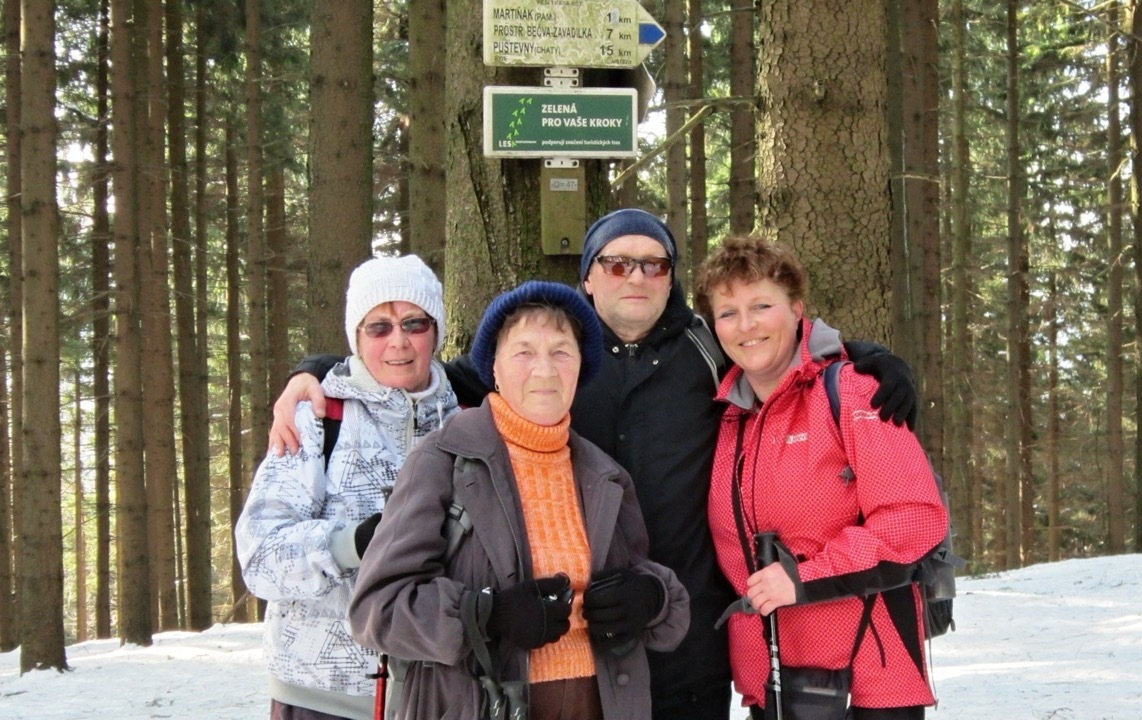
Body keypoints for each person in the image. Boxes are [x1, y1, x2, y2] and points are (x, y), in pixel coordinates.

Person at [268, 208, 919, 720]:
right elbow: (410, 369)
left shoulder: (709, 351)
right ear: (587, 276)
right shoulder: (535, 368)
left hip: (688, 645)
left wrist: (866, 358)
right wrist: (320, 372)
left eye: (654, 265)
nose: (636, 277)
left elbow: (774, 343)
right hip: (559, 665)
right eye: (616, 263)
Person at [348, 280, 690, 720]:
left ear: (581, 367)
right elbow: (378, 608)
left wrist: (650, 597)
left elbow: (660, 599)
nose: (544, 370)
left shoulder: (605, 475)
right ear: (494, 367)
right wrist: (486, 616)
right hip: (480, 705)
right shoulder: (441, 462)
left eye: (561, 352)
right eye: (524, 352)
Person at [693, 235, 948, 720]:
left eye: (761, 305)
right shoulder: (727, 418)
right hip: (775, 683)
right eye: (728, 312)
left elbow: (913, 520)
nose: (745, 325)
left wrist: (803, 577)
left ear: (796, 309)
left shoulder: (851, 393)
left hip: (869, 684)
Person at [236, 255, 459, 720]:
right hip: (321, 699)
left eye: (414, 323)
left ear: (436, 331)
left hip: (436, 696)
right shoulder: (317, 418)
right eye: (378, 327)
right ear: (356, 338)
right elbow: (258, 556)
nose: (398, 341)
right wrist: (350, 544)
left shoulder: (466, 422)